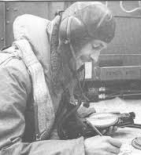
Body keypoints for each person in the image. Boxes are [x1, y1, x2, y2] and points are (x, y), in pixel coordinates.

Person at [0, 1, 122, 155]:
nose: (95, 58)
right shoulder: (12, 73)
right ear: (73, 37)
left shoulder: (62, 63)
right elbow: (6, 151)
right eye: (95, 47)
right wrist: (82, 148)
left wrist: (87, 126)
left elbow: (56, 119)